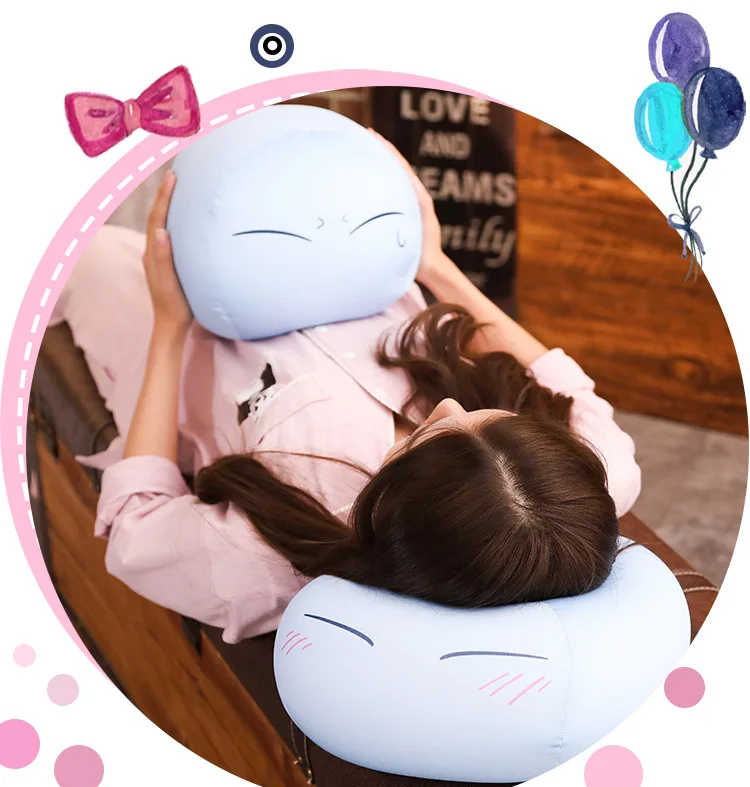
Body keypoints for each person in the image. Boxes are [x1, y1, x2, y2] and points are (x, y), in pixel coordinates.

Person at [52, 131, 641, 643]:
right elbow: (551, 377)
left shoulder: (271, 557)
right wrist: (434, 265)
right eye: (485, 416)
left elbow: (138, 521)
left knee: (80, 246)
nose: (447, 403)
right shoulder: (592, 478)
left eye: (430, 433)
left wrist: (168, 326)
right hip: (354, 273)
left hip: (192, 332)